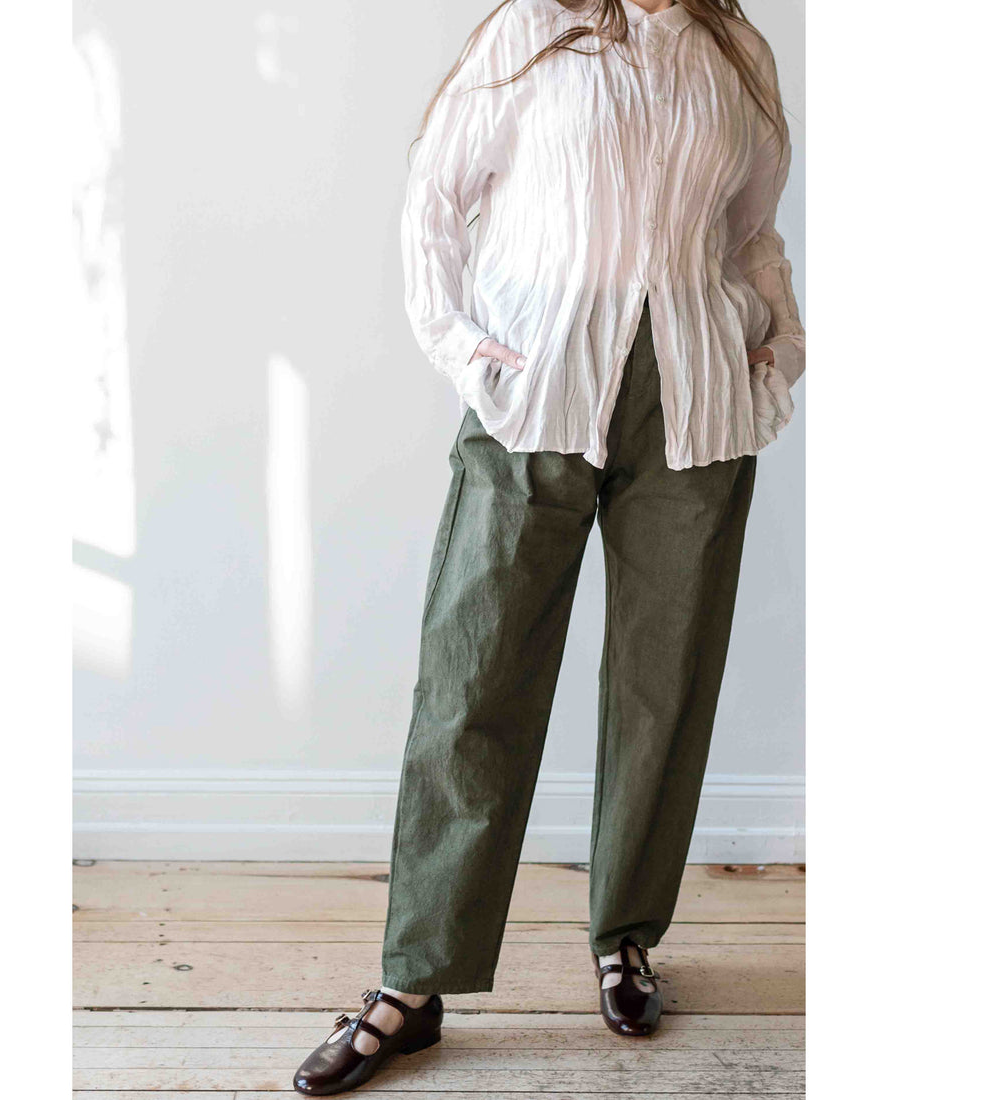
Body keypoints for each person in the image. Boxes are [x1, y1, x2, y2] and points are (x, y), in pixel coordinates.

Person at [294, 0, 803, 1093]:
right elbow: (436, 193)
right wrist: (463, 344)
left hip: (694, 399)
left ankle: (626, 937)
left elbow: (750, 231)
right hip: (536, 388)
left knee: (665, 683)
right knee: (473, 676)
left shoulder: (733, 50)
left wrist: (778, 347)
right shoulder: (529, 28)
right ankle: (413, 982)